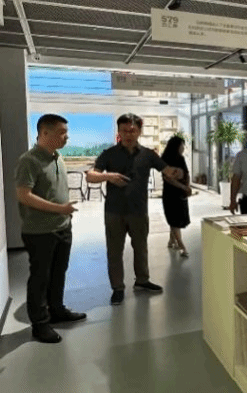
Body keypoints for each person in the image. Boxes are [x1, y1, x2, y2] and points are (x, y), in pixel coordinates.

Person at [86, 114, 183, 306]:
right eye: (124, 131)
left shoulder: (148, 155)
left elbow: (167, 171)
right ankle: (117, 288)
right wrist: (109, 176)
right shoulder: (109, 154)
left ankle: (142, 281)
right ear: (119, 131)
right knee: (114, 251)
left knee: (141, 248)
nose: (128, 134)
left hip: (139, 210)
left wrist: (176, 173)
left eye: (132, 131)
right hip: (114, 211)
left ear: (139, 131)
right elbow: (90, 176)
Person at [15, 114, 86, 344]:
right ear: (44, 133)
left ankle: (57, 310)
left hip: (62, 227)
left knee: (58, 273)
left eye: (66, 132)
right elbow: (24, 195)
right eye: (61, 132)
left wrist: (64, 215)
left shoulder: (58, 157)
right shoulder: (29, 160)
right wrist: (60, 209)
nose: (66, 137)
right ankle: (40, 324)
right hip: (39, 232)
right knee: (40, 278)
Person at [161, 136, 192, 258]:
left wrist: (187, 186)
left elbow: (187, 173)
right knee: (174, 219)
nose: (183, 148)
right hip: (170, 193)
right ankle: (181, 246)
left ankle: (171, 240)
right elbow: (167, 178)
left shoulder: (181, 158)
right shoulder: (165, 159)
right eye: (182, 145)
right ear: (176, 146)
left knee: (176, 219)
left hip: (181, 193)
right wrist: (184, 187)